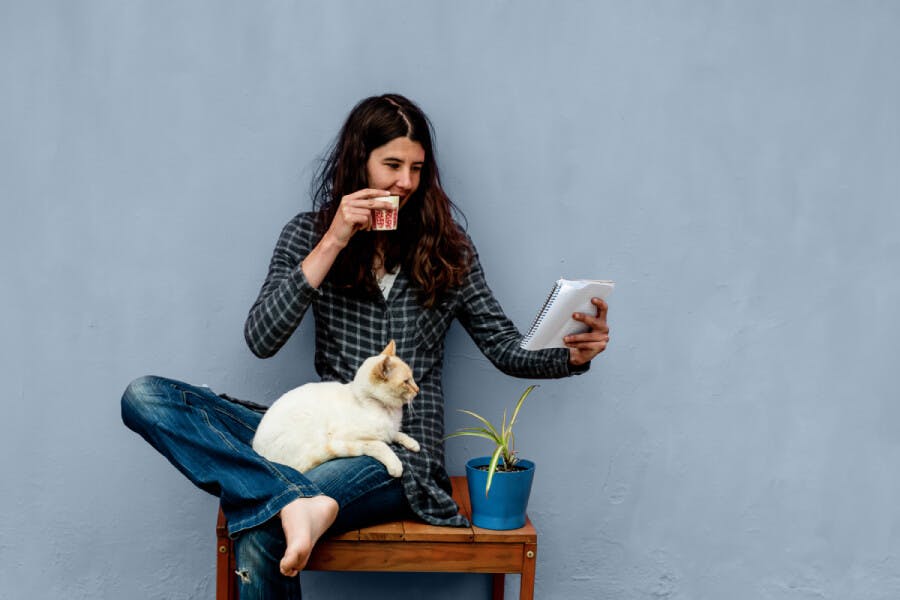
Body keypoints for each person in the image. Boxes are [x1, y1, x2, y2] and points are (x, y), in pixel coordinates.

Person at [121, 93, 610, 599]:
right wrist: (334, 240)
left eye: (416, 168)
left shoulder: (449, 247)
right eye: (392, 165)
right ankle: (290, 497)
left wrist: (569, 355)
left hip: (392, 456)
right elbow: (261, 339)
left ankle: (284, 500)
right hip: (315, 433)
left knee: (260, 530)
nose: (405, 182)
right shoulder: (308, 235)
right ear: (359, 163)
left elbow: (504, 346)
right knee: (146, 396)